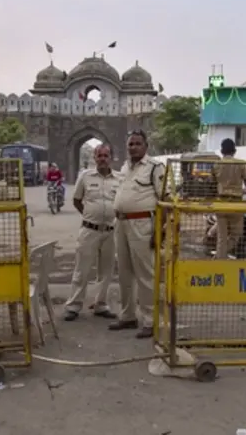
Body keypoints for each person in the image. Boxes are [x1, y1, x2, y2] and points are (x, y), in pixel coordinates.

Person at [110, 130, 165, 339]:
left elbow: (166, 200)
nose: (132, 147)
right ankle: (128, 316)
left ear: (146, 146)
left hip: (142, 224)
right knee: (124, 272)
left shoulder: (154, 168)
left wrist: (159, 230)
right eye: (130, 144)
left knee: (145, 274)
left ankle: (151, 321)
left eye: (137, 143)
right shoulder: (125, 167)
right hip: (121, 223)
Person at [63, 144, 120, 321]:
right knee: (82, 269)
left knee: (106, 271)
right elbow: (77, 200)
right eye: (99, 156)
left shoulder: (119, 178)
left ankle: (101, 305)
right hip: (89, 230)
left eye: (106, 155)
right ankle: (73, 305)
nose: (103, 159)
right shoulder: (85, 177)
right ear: (95, 158)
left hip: (111, 231)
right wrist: (90, 216)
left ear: (111, 158)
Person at [211, 139, 246, 259]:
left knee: (221, 237)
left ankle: (219, 257)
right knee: (236, 234)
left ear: (221, 151)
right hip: (236, 204)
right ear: (234, 151)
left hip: (221, 203)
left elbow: (212, 184)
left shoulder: (216, 165)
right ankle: (220, 256)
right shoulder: (241, 164)